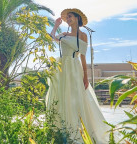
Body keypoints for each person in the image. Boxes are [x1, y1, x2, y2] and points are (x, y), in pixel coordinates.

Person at [46, 8, 111, 143]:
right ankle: (62, 131)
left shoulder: (83, 36)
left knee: (75, 97)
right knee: (61, 96)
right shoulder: (64, 34)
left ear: (77, 18)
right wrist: (56, 26)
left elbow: (83, 57)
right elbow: (51, 38)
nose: (68, 19)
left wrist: (85, 77)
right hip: (61, 68)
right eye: (67, 17)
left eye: (70, 17)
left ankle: (79, 132)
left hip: (74, 68)